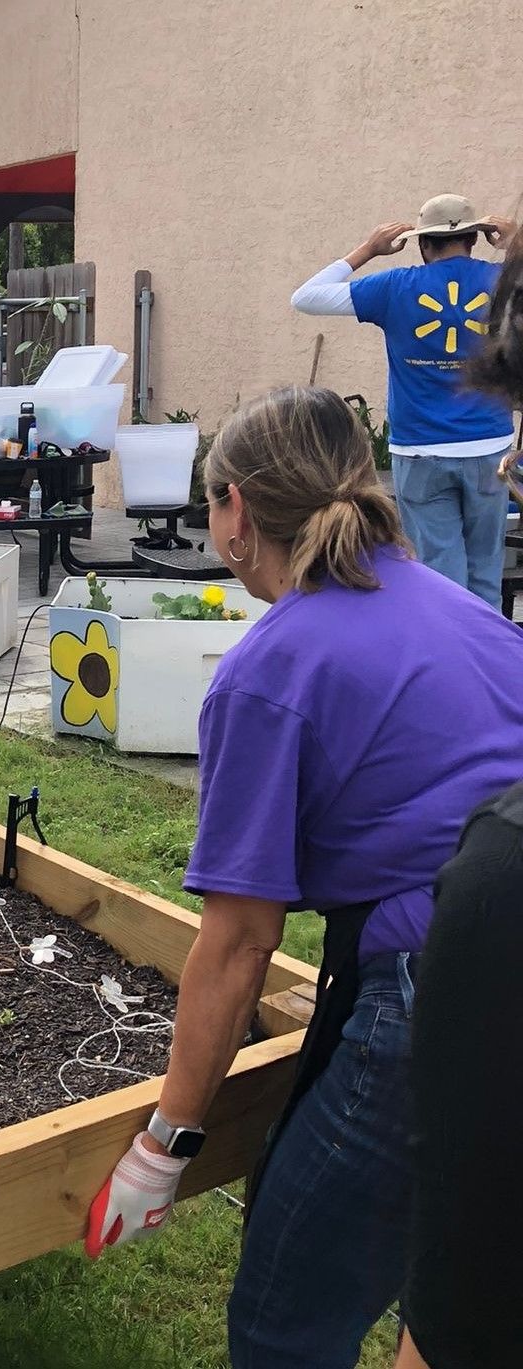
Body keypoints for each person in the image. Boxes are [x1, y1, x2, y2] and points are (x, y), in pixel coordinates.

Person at [84, 385, 523, 1368]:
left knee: (290, 1308)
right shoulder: (469, 612)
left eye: (210, 502)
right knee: (465, 1289)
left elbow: (240, 945)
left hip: (441, 992)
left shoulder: (270, 670)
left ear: (234, 511)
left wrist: (168, 1140)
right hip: (500, 951)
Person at [399, 233, 523, 1369]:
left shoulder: (502, 884)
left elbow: (463, 1310)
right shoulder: (486, 278)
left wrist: (381, 243)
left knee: (446, 581)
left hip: (426, 446)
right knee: (480, 596)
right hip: (471, 447)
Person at [290, 195, 517, 604]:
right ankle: (491, 660)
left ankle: (444, 661)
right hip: (489, 447)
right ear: (473, 240)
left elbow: (306, 297)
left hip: (419, 450)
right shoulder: (503, 282)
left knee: (439, 575)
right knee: (486, 570)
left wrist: (367, 250)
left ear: (422, 245)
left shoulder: (394, 287)